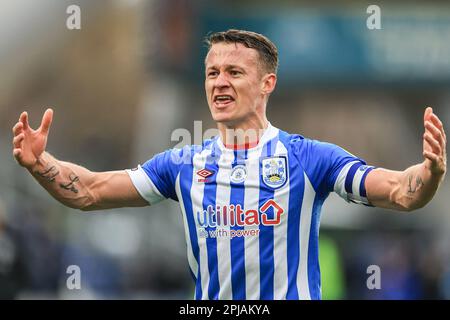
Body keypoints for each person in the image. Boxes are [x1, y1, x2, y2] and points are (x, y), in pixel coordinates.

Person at [11, 30, 446, 300]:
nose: (219, 82)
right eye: (212, 72)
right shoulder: (184, 163)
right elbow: (89, 191)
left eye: (235, 72)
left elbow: (397, 192)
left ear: (266, 84)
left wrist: (428, 174)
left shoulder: (310, 159)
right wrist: (40, 164)